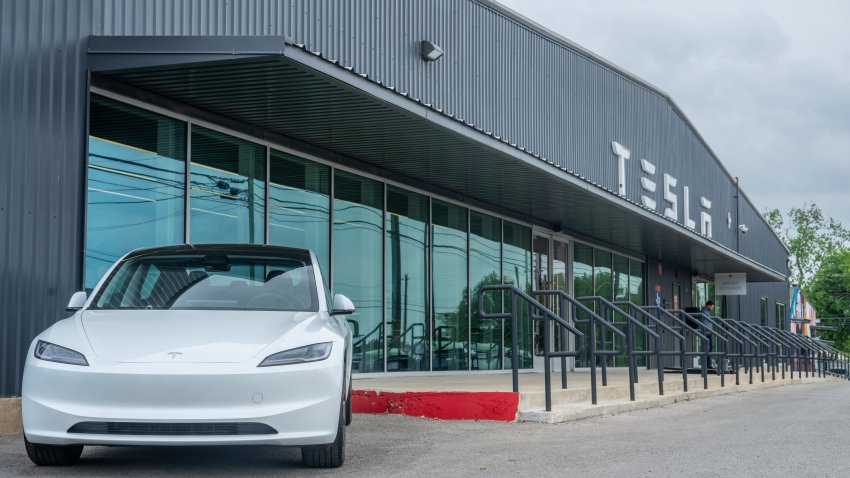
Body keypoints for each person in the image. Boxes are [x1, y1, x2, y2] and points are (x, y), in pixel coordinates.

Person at [701, 301, 715, 368]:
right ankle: (707, 364)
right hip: (706, 332)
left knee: (709, 348)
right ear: (708, 305)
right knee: (707, 348)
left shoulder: (707, 313)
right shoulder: (704, 312)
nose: (712, 309)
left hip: (709, 332)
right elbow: (705, 323)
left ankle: (708, 364)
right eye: (712, 307)